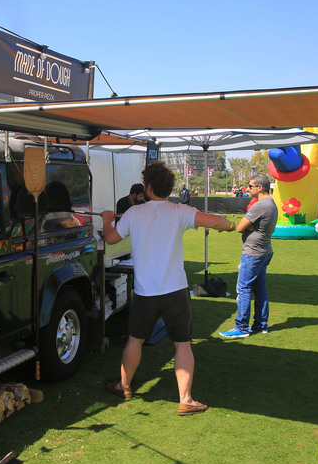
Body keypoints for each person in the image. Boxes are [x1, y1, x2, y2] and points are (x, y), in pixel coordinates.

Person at [101, 162, 235, 414]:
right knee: (182, 344)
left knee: (135, 340)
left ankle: (124, 386)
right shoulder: (179, 210)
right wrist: (230, 225)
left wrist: (108, 220)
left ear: (148, 187)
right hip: (175, 291)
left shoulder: (133, 213)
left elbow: (110, 238)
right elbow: (215, 221)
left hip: (145, 292)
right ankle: (185, 399)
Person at [220, 174, 278, 339]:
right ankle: (260, 324)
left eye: (251, 186)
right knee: (260, 289)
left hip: (253, 253)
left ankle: (242, 327)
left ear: (260, 188)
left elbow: (240, 227)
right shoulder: (272, 204)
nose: (248, 188)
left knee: (243, 288)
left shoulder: (260, 206)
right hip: (264, 251)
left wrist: (248, 226)